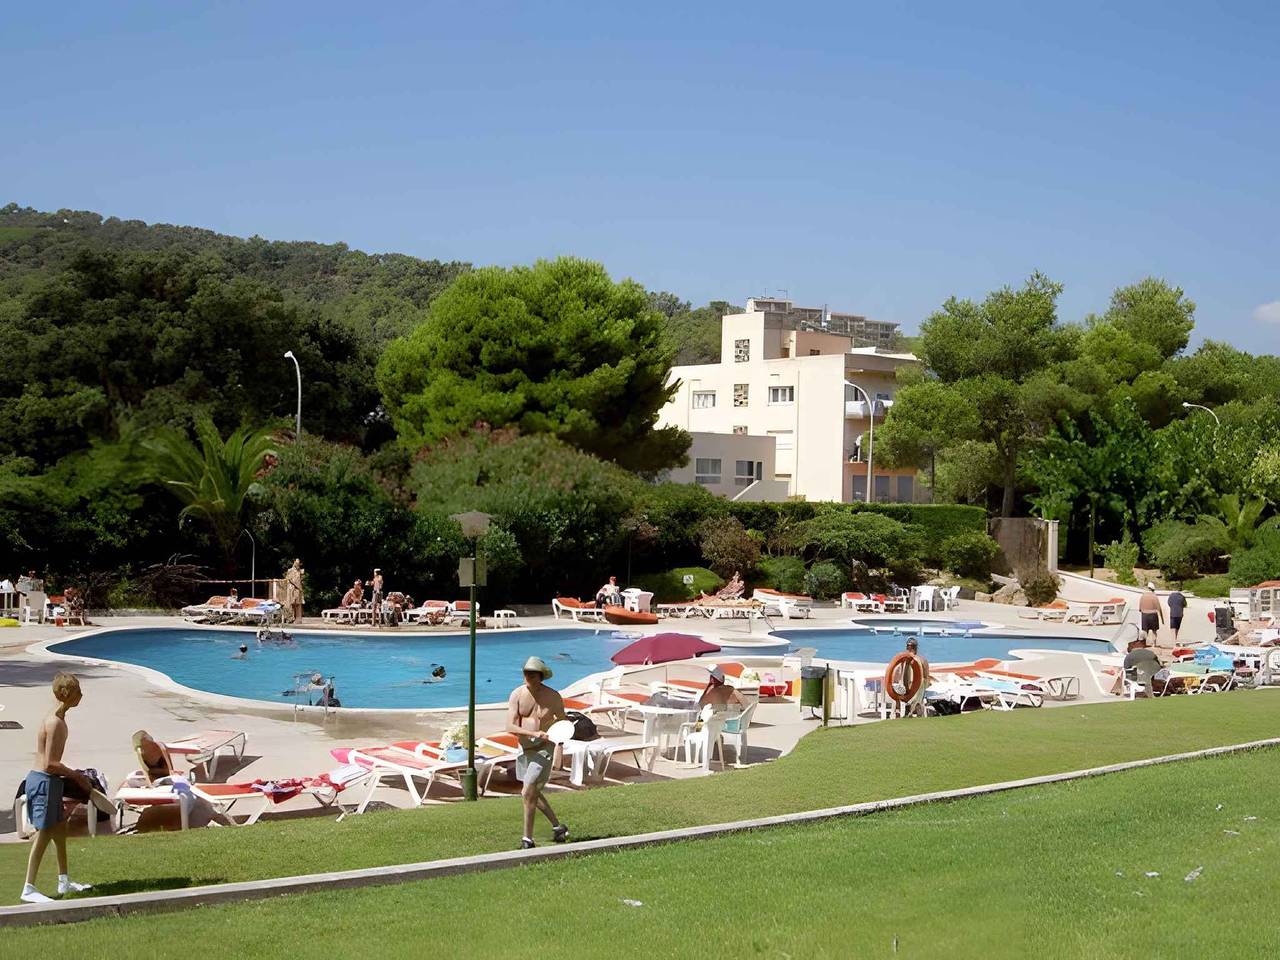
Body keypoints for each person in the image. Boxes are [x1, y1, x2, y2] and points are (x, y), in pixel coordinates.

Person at [21, 672, 93, 904]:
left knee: (59, 830)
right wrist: (77, 777)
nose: (81, 694)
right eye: (78, 690)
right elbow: (50, 764)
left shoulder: (58, 718)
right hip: (43, 781)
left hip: (49, 782)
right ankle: (28, 888)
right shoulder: (54, 722)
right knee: (44, 832)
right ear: (68, 695)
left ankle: (64, 881)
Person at [506, 656, 569, 849]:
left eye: (532, 674)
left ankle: (527, 838)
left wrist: (559, 743)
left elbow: (563, 722)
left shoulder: (553, 697)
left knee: (528, 789)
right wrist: (532, 733)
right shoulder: (517, 695)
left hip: (544, 749)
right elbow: (510, 725)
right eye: (525, 673)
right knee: (531, 792)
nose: (528, 677)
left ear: (540, 676)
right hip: (525, 748)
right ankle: (558, 827)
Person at [898, 637, 931, 717]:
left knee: (912, 706)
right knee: (918, 705)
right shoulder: (922, 659)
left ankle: (910, 714)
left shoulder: (905, 660)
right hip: (918, 686)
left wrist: (905, 688)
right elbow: (926, 676)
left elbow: (904, 676)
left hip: (911, 686)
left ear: (907, 647)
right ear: (916, 648)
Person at [284, 559, 305, 624]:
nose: (297, 564)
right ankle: (290, 618)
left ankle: (298, 619)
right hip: (291, 588)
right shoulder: (290, 570)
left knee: (298, 603)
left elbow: (301, 580)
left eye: (298, 563)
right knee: (290, 603)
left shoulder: (300, 571)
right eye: (296, 563)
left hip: (298, 589)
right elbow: (288, 579)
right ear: (294, 563)